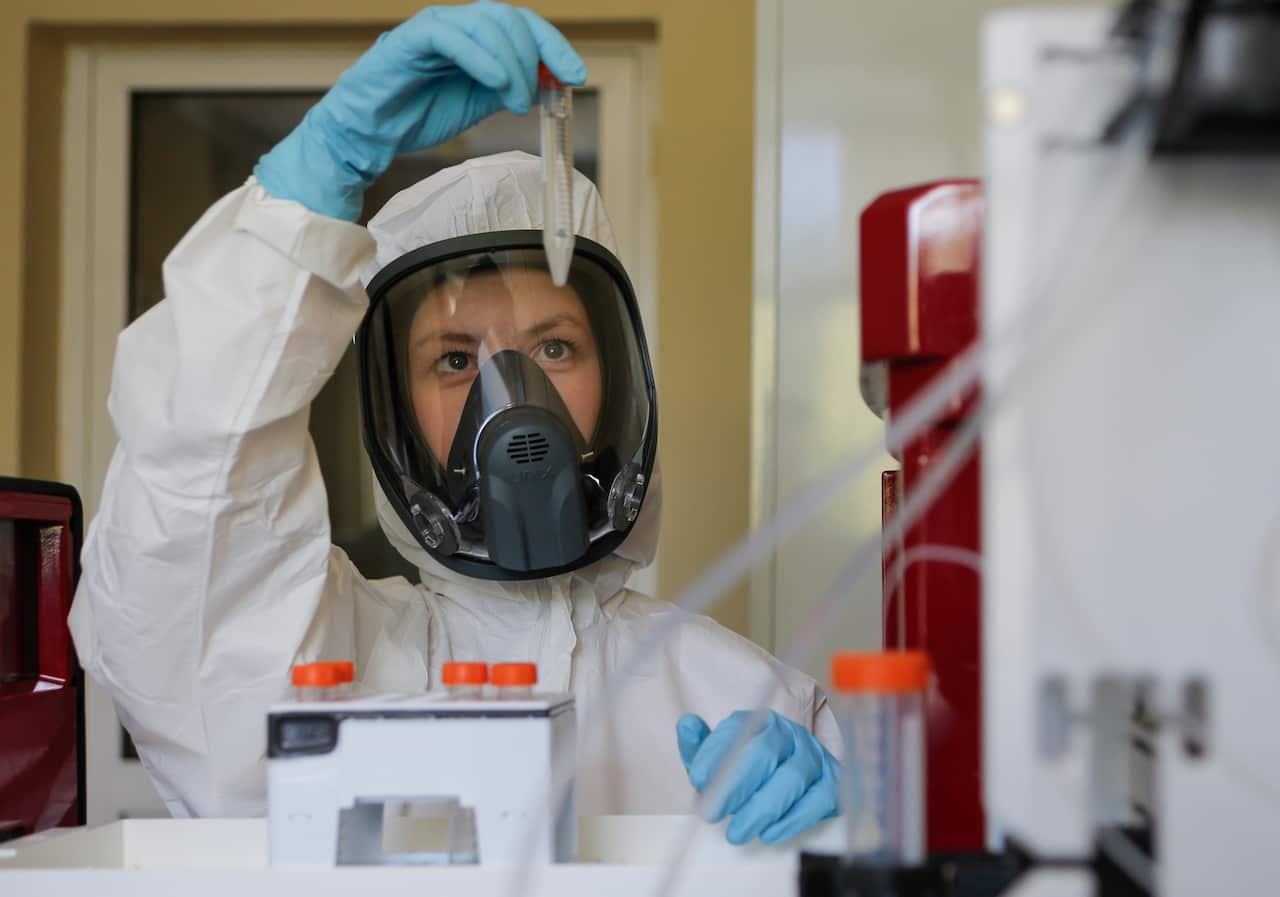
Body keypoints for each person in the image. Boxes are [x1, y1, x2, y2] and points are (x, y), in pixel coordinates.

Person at [68, 1, 840, 847]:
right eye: (453, 360)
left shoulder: (742, 697)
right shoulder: (330, 669)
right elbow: (183, 558)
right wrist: (308, 196)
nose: (511, 398)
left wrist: (853, 814)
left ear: (616, 381)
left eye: (553, 346)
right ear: (396, 411)